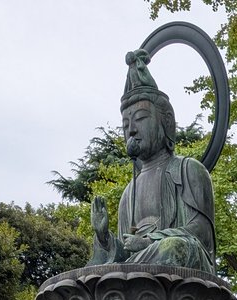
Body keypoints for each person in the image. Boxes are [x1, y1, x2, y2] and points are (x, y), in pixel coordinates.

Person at [88, 49, 215, 272]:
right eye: (126, 125)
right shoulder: (129, 193)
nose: (132, 130)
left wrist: (150, 241)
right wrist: (104, 237)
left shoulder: (188, 170)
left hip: (179, 261)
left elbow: (201, 232)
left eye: (140, 119)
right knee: (110, 271)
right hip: (139, 268)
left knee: (173, 248)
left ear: (165, 122)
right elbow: (125, 249)